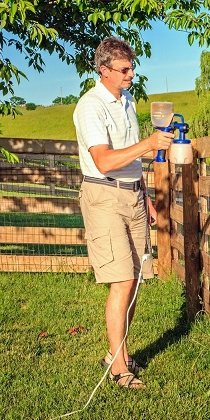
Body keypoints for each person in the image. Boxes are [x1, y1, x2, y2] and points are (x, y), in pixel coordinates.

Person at [73, 36, 173, 390]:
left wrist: (143, 193)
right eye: (125, 69)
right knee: (122, 279)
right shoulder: (90, 107)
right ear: (104, 71)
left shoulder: (127, 101)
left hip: (131, 195)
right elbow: (103, 160)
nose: (132, 74)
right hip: (103, 196)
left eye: (132, 67)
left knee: (136, 280)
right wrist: (149, 144)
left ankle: (119, 352)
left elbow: (129, 161)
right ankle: (118, 367)